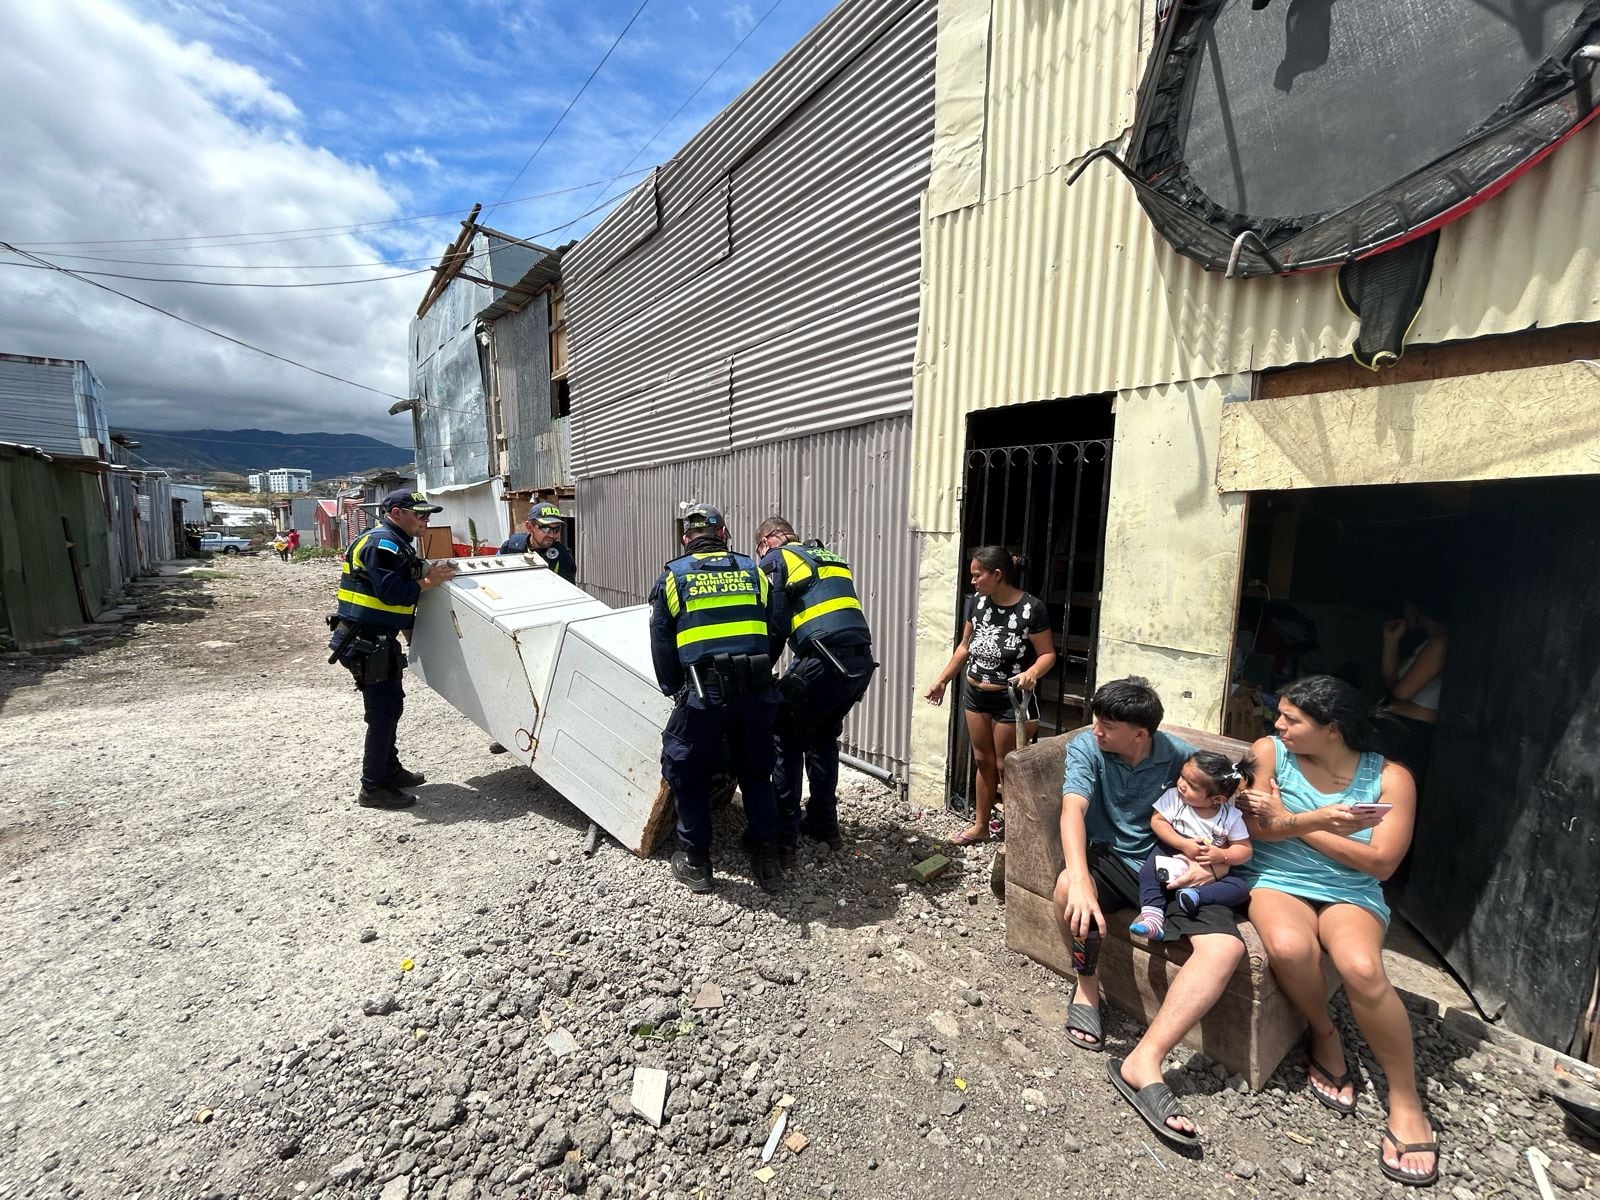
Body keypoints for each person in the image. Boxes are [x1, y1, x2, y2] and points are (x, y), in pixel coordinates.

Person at [1235, 675, 1438, 1188]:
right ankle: (1324, 1034)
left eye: (1291, 719)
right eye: (1279, 715)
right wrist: (1323, 819)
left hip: (1351, 888)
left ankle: (1406, 1098)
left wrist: (1298, 819)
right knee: (1287, 946)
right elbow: (1261, 829)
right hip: (1277, 876)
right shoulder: (1268, 753)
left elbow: (1383, 864)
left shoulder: (1392, 779)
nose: (1276, 725)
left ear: (1332, 729)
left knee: (1362, 968)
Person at [1052, 677, 1246, 1149]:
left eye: (1108, 725)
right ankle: (1086, 989)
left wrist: (1218, 864)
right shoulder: (1087, 749)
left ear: (1141, 734)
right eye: (1097, 720)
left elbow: (1229, 800)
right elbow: (1072, 810)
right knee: (1065, 888)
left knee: (1224, 949)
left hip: (1171, 867)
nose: (1095, 730)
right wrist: (1079, 876)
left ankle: (1145, 1059)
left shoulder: (1179, 757)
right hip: (1114, 859)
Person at [648, 503, 789, 895]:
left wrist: (676, 689)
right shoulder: (753, 571)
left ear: (686, 540)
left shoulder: (674, 578)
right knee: (757, 772)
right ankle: (768, 862)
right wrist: (758, 666)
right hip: (758, 689)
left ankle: (696, 863)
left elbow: (662, 643)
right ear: (724, 536)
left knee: (685, 770)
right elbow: (775, 626)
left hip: (705, 693)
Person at [754, 517, 877, 860]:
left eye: (759, 548)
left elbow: (776, 623)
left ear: (770, 540)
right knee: (822, 737)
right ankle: (824, 823)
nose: (760, 557)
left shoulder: (777, 559)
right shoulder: (828, 556)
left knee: (785, 739)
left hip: (823, 660)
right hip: (859, 664)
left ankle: (784, 837)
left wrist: (760, 670)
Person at [327, 489, 458, 810]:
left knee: (391, 706)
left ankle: (390, 770)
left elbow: (401, 604)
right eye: (420, 514)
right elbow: (392, 593)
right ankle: (372, 787)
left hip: (379, 639)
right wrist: (431, 581)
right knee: (382, 713)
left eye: (429, 515)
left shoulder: (398, 543)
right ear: (397, 512)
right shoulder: (381, 544)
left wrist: (415, 638)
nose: (426, 520)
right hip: (365, 641)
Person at [924, 546, 1055, 844]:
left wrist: (1032, 672)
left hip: (1010, 700)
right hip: (975, 694)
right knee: (982, 760)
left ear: (997, 575)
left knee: (1006, 765)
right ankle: (981, 825)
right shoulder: (977, 604)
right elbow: (964, 647)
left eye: (977, 575)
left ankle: (1017, 835)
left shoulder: (1032, 609)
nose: (973, 581)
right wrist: (942, 680)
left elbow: (1047, 654)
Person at [1127, 750, 1256, 942]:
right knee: (1149, 870)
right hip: (1171, 852)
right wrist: (1183, 844)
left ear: (1218, 799)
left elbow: (1244, 849)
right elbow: (1158, 821)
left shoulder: (1230, 817)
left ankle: (1195, 895)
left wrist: (1222, 855)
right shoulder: (1174, 798)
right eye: (1182, 776)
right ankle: (1153, 917)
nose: (1181, 785)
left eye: (1191, 785)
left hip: (1209, 866)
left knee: (1240, 888)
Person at [1378, 593, 1447, 790]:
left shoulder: (1441, 643)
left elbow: (1402, 692)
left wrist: (1394, 689)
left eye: (1407, 607)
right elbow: (1390, 679)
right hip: (1400, 726)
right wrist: (1391, 640)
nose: (1403, 613)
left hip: (1412, 731)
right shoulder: (1428, 642)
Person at [500, 501, 576, 583]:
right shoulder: (511, 547)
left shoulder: (563, 556)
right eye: (545, 528)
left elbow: (569, 591)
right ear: (530, 527)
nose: (552, 535)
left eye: (556, 529)